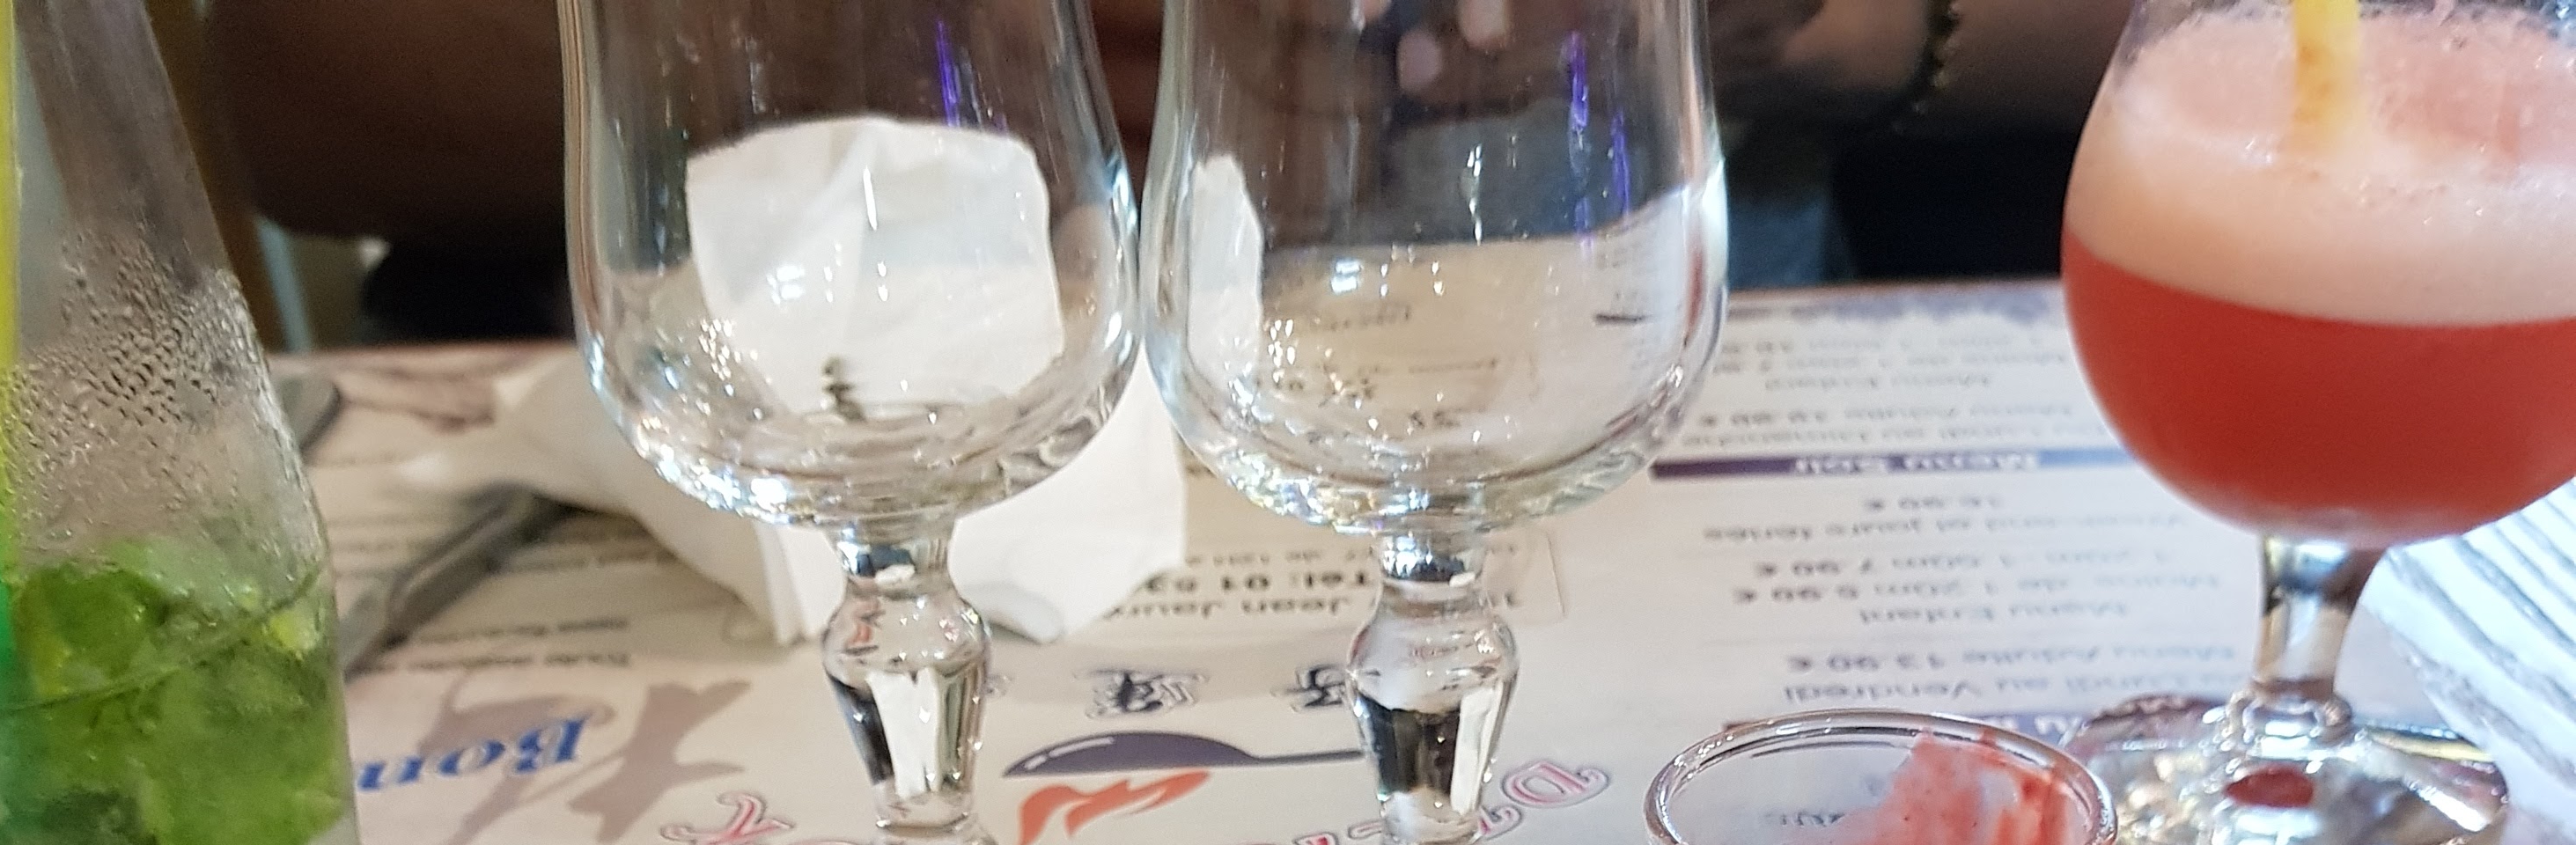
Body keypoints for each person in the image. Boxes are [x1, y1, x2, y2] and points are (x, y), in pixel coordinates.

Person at [203, 0, 2132, 329]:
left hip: (1692, 395)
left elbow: (2266, 47)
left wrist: (1847, 21)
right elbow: (291, 93)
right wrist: (928, 51)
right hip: (786, 442)